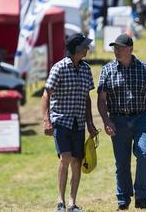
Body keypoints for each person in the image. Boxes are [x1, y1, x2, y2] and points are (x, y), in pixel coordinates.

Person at [97, 33, 146, 210]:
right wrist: (106, 121)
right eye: (114, 48)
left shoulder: (144, 68)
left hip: (141, 117)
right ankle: (123, 198)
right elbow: (101, 99)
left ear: (130, 49)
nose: (116, 51)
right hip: (117, 120)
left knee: (144, 154)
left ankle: (141, 196)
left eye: (120, 47)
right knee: (122, 162)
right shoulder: (107, 70)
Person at [42, 33, 98, 212]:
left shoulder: (86, 69)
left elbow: (87, 98)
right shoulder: (58, 68)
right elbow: (46, 94)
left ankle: (72, 203)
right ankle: (60, 202)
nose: (87, 49)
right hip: (61, 121)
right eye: (84, 46)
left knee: (77, 162)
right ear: (76, 49)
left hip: (79, 123)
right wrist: (46, 120)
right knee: (65, 158)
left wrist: (90, 122)